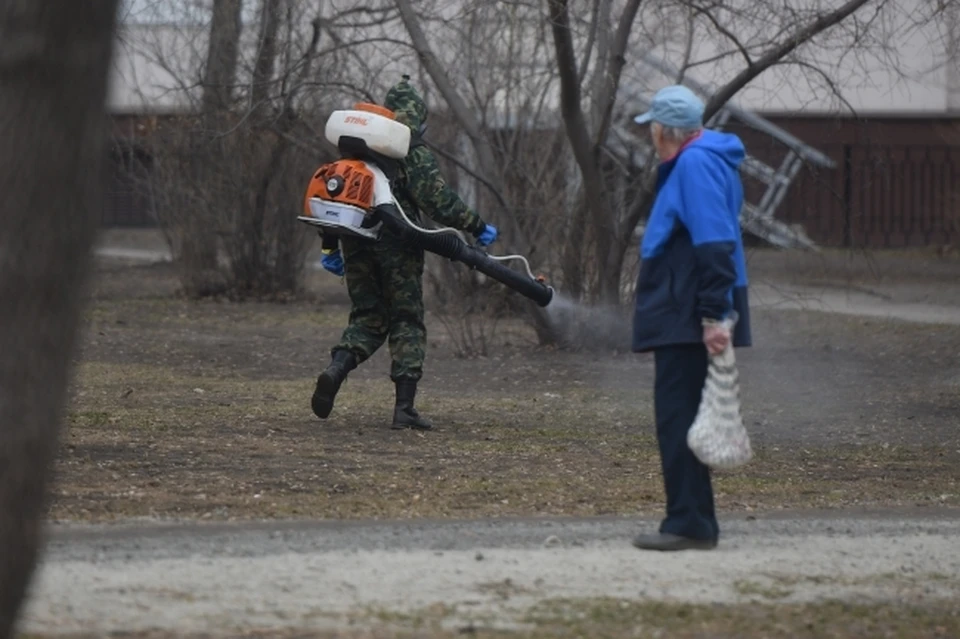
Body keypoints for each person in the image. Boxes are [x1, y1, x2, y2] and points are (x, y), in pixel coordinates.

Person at [311, 75, 499, 430]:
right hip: (400, 245)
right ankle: (404, 409)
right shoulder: (407, 148)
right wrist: (476, 226)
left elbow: (334, 198)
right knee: (406, 320)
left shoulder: (356, 147)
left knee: (367, 316)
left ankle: (336, 369)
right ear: (419, 118)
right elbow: (437, 201)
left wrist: (329, 245)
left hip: (355, 239)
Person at [629, 85, 752, 551]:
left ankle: (687, 522)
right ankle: (696, 520)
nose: (650, 138)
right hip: (690, 306)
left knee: (676, 418)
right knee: (683, 417)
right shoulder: (702, 159)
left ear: (665, 131)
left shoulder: (696, 164)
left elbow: (714, 241)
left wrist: (713, 315)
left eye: (652, 129)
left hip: (687, 310)